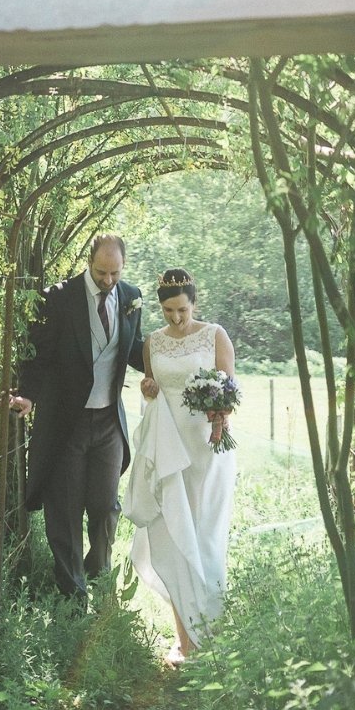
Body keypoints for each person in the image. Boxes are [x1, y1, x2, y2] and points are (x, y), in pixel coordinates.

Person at [7, 233, 147, 599]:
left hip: (108, 422)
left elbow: (133, 349)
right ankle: (72, 595)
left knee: (105, 508)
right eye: (102, 272)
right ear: (89, 262)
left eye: (115, 273)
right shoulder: (58, 298)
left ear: (122, 267)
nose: (108, 280)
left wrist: (165, 364)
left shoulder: (131, 297)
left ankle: (98, 578)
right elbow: (38, 356)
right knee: (65, 511)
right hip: (66, 423)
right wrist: (28, 396)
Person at [124, 267, 237, 662]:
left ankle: (212, 636)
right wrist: (148, 387)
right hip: (170, 449)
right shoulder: (152, 343)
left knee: (205, 538)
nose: (175, 318)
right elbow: (153, 389)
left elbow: (229, 389)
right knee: (174, 534)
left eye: (182, 310)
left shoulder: (214, 334)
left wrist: (221, 416)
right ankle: (183, 640)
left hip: (207, 448)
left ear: (194, 302)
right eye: (169, 311)